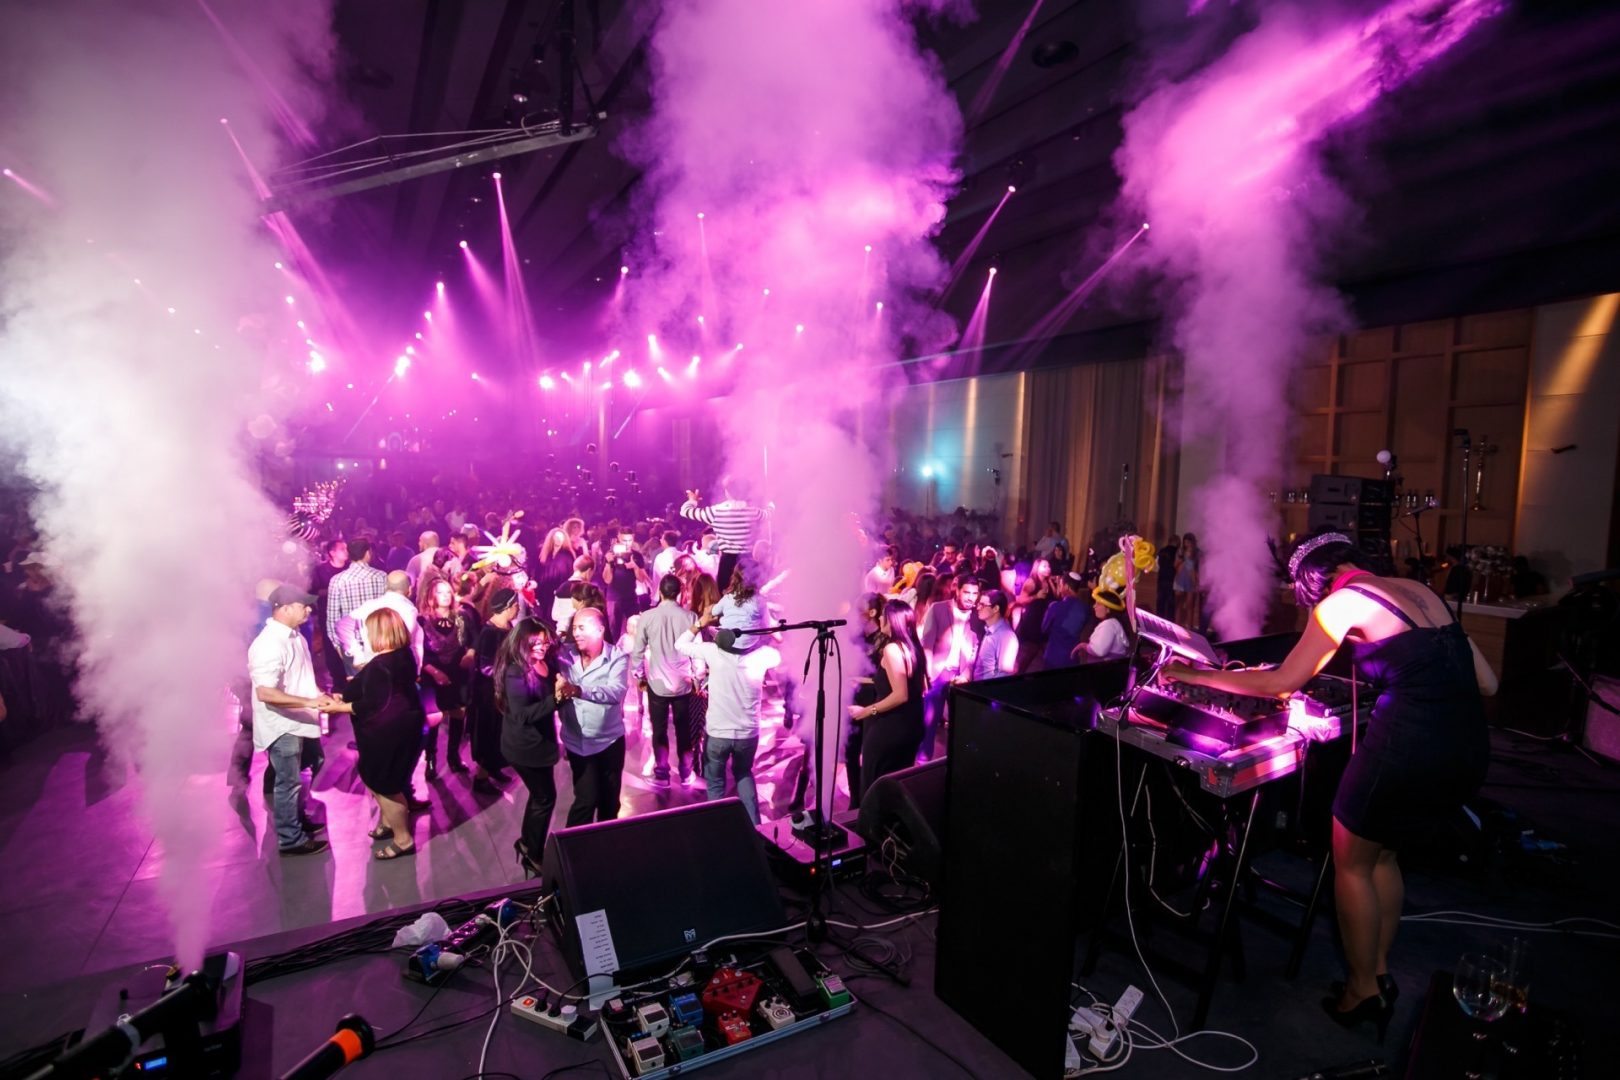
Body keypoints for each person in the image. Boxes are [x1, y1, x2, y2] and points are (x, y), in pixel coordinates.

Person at [1162, 531, 1497, 1036]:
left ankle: (1361, 991)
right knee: (1383, 855)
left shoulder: (1341, 603)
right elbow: (1488, 682)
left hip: (1407, 744)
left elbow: (1281, 683)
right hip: (1467, 748)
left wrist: (1196, 676)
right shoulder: (1418, 590)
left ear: (1314, 583)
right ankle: (1378, 973)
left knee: (1352, 861)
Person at [323, 608, 425, 860]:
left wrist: (339, 707)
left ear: (380, 633)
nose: (365, 635)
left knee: (386, 785)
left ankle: (403, 840)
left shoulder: (381, 665)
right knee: (376, 777)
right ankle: (389, 823)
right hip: (403, 728)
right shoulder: (404, 655)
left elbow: (373, 704)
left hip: (387, 734)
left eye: (368, 630)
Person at [676, 610, 780, 825]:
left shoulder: (713, 651)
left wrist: (700, 623)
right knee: (744, 774)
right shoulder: (764, 655)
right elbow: (781, 649)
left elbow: (680, 644)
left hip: (718, 733)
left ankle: (718, 831)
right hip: (747, 733)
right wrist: (767, 624)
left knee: (715, 785)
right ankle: (755, 831)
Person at [247, 585, 329, 856]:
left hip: (301, 720)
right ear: (283, 609)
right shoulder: (268, 644)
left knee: (311, 765)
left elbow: (301, 678)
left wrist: (319, 695)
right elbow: (266, 693)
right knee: (289, 781)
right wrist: (309, 702)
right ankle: (290, 838)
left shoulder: (296, 637)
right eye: (302, 605)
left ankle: (297, 819)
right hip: (283, 727)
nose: (308, 609)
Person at [497, 618, 561, 878]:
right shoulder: (516, 671)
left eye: (544, 642)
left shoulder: (544, 663)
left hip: (539, 744)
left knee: (540, 796)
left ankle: (527, 844)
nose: (542, 647)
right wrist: (557, 699)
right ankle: (532, 854)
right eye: (535, 643)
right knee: (545, 797)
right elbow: (523, 715)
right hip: (524, 748)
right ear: (522, 642)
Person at [555, 607, 629, 825]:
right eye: (574, 628)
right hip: (577, 742)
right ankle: (573, 843)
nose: (576, 633)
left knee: (609, 803)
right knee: (586, 800)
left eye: (581, 628)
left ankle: (605, 841)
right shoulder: (564, 655)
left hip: (609, 741)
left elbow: (616, 691)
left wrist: (578, 690)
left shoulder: (617, 657)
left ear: (600, 630)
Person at [847, 599, 927, 802]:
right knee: (898, 785)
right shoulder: (913, 648)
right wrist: (865, 680)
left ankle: (870, 821)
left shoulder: (891, 649)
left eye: (884, 615)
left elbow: (900, 694)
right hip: (911, 726)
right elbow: (917, 686)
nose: (881, 618)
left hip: (890, 729)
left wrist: (866, 711)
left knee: (875, 785)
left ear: (893, 621)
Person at [632, 574, 699, 788]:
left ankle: (662, 774)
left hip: (657, 682)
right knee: (684, 729)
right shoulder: (690, 617)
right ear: (679, 593)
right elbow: (697, 652)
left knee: (659, 729)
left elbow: (637, 651)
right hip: (683, 682)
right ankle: (686, 772)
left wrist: (639, 675)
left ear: (660, 592)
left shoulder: (647, 617)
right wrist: (698, 677)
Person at [918, 576, 979, 761]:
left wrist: (967, 672)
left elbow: (975, 648)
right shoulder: (938, 609)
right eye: (967, 592)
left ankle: (956, 763)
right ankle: (922, 762)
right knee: (928, 722)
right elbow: (927, 644)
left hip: (961, 676)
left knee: (961, 723)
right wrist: (927, 673)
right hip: (938, 673)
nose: (971, 597)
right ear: (957, 590)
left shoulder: (978, 615)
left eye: (975, 593)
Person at [419, 577, 474, 778]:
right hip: (431, 675)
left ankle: (453, 757)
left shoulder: (462, 617)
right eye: (440, 592)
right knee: (434, 718)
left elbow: (475, 640)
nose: (445, 596)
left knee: (459, 713)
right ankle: (430, 759)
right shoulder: (421, 621)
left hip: (458, 673)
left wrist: (470, 654)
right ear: (431, 596)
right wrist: (435, 672)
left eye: (448, 592)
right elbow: (417, 654)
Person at [467, 587, 519, 794]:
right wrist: (512, 673)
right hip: (489, 694)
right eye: (516, 606)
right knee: (489, 734)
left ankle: (494, 768)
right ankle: (481, 778)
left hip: (502, 690)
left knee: (500, 733)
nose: (518, 609)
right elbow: (486, 667)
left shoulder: (507, 626)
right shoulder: (489, 632)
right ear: (508, 607)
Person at [680, 478, 768, 590]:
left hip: (728, 562)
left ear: (727, 492)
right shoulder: (753, 511)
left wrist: (693, 500)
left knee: (725, 593)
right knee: (750, 594)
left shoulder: (716, 511)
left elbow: (685, 511)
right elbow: (768, 513)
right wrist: (771, 502)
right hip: (747, 562)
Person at [325, 538, 387, 679]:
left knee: (358, 687)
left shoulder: (337, 580)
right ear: (368, 553)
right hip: (379, 640)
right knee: (381, 684)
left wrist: (338, 646)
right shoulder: (381, 577)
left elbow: (332, 618)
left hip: (351, 643)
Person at [340, 570, 424, 672]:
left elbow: (342, 625)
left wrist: (357, 654)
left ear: (386, 587)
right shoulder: (408, 610)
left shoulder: (369, 605)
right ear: (410, 589)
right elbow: (402, 645)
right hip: (397, 669)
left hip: (372, 666)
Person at [309, 539, 350, 692]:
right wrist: (334, 590)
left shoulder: (350, 568)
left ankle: (351, 678)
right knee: (331, 648)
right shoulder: (321, 570)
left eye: (346, 548)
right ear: (332, 552)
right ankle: (338, 683)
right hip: (328, 615)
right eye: (342, 549)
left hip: (348, 614)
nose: (346, 551)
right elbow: (314, 591)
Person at [971, 589, 1018, 681]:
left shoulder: (1006, 636)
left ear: (996, 608)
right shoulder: (989, 630)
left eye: (982, 605)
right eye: (978, 604)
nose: (978, 608)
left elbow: (1005, 675)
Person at [1076, 587, 1131, 661]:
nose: (1094, 606)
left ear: (1108, 609)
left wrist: (1084, 646)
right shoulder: (1112, 623)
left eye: (1098, 604)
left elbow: (1099, 650)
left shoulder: (1109, 624)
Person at [1174, 533, 1202, 630]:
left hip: (1191, 580)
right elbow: (1175, 565)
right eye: (1185, 542)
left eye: (1189, 542)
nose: (1187, 544)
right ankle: (1177, 625)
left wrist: (1198, 581)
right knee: (1179, 604)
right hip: (1180, 579)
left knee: (1190, 605)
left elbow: (1199, 568)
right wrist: (1182, 559)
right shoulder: (1181, 551)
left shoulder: (1198, 553)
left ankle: (1189, 627)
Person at [1156, 533, 1180, 619]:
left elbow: (1157, 564)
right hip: (1171, 579)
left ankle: (1159, 618)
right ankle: (1170, 620)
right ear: (1177, 542)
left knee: (1161, 601)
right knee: (1170, 602)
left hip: (1161, 577)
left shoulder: (1161, 551)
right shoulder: (1177, 552)